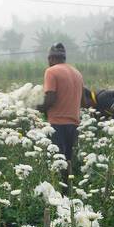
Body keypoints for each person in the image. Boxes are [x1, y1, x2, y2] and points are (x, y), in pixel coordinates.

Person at [38, 43, 83, 182]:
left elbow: (51, 98)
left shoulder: (51, 71)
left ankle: (60, 193)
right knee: (68, 160)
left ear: (51, 58)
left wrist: (40, 107)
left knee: (57, 161)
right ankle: (68, 189)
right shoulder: (77, 73)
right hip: (74, 123)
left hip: (57, 123)